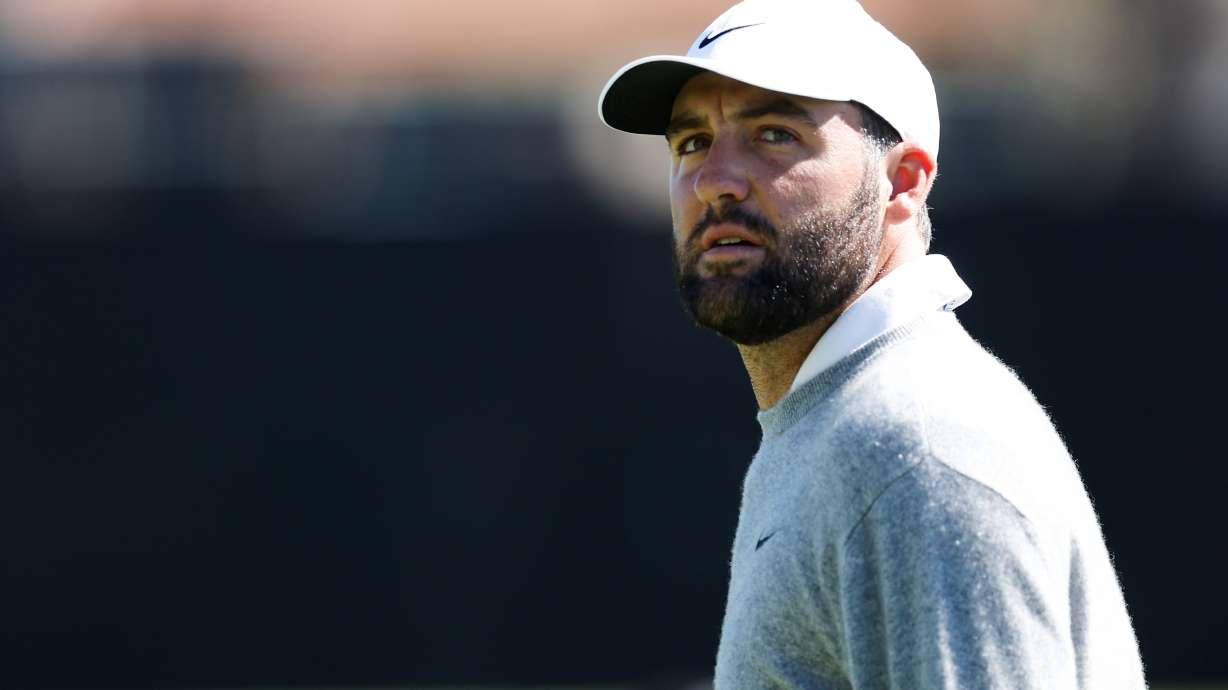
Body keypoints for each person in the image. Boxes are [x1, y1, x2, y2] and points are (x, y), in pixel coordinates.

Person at [598, 0, 1146, 687]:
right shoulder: (846, 421)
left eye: (773, 134)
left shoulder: (914, 446)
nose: (713, 181)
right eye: (691, 142)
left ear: (904, 182)